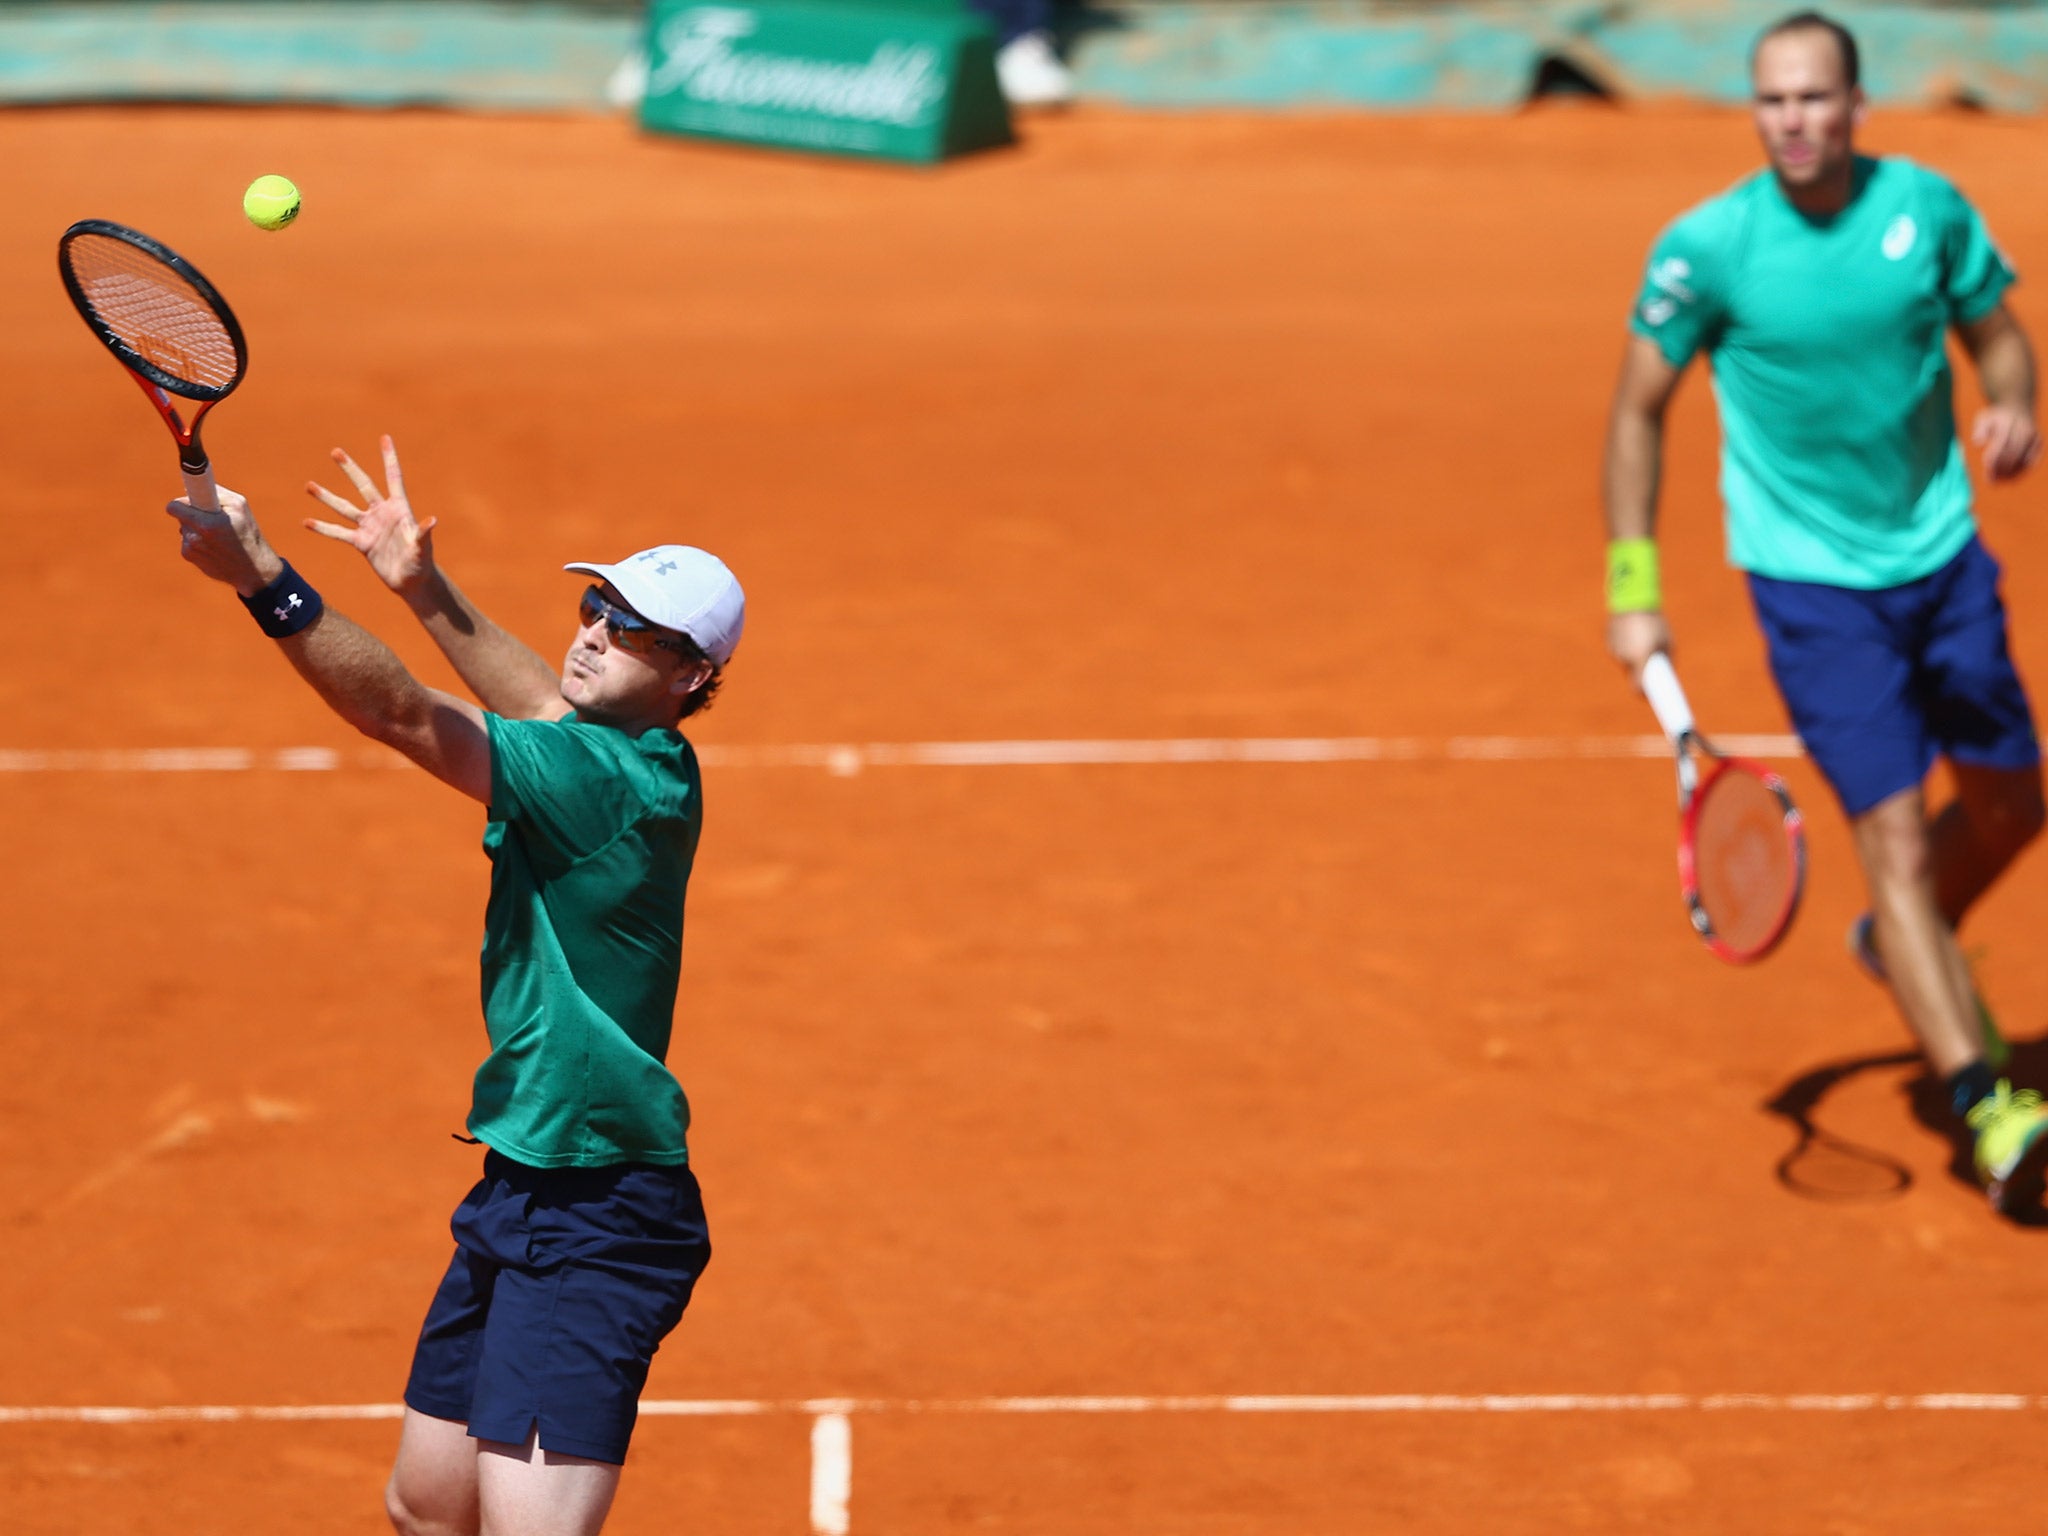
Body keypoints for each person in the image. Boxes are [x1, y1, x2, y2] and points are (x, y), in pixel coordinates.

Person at [166, 435, 744, 1535]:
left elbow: (398, 715)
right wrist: (422, 587)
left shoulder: (602, 784)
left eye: (631, 632)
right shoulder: (642, 753)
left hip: (598, 1216)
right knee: (426, 1511)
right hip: (521, 1187)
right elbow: (541, 700)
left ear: (688, 676)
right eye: (596, 608)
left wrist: (266, 584)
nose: (594, 636)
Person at [1602, 10, 2048, 1214]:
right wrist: (1631, 587)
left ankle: (1900, 947)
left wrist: (2013, 407)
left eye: (1812, 99)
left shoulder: (1926, 214)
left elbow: (2001, 345)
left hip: (1942, 563)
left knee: (2012, 804)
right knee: (1892, 839)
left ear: (1854, 107)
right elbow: (1636, 410)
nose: (1790, 121)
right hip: (1810, 593)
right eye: (1770, 102)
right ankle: (1984, 1104)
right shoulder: (1706, 251)